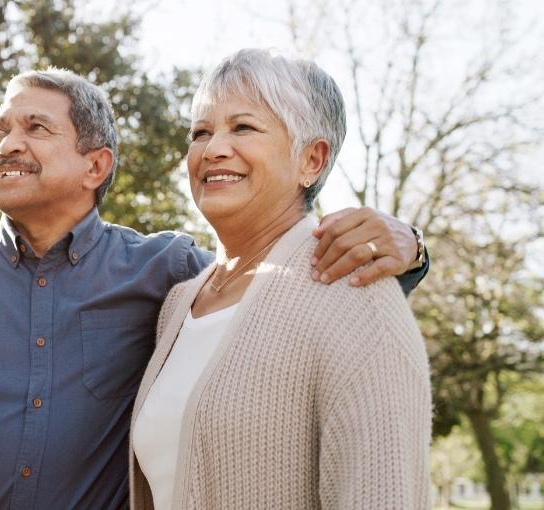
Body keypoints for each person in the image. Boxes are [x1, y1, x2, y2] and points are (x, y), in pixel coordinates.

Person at [0, 67, 429, 509]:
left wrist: (408, 249)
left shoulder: (170, 275)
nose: (6, 145)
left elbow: (282, 292)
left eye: (35, 128)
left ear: (95, 167)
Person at [129, 49, 431, 510]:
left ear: (311, 160)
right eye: (201, 132)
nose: (213, 150)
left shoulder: (355, 292)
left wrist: (415, 247)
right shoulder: (179, 302)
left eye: (243, 127)